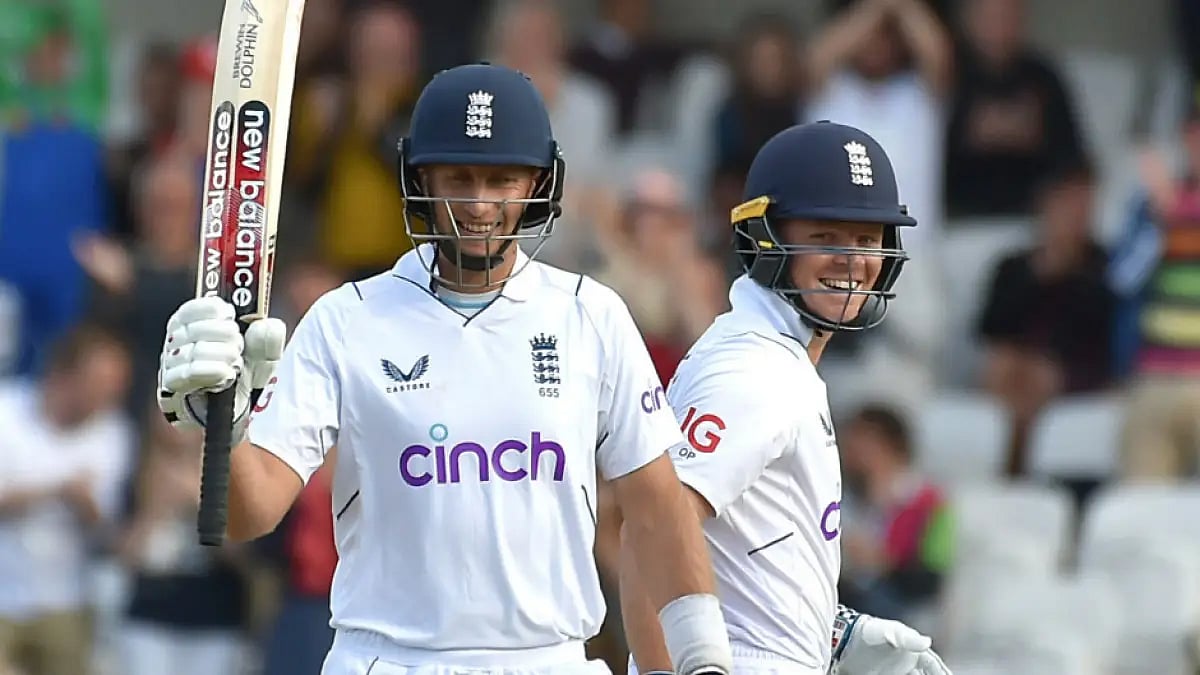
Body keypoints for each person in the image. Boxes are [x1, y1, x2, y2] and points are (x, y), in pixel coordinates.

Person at [155, 63, 733, 675]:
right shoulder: (346, 319)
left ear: (538, 183)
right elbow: (251, 513)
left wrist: (703, 658)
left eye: (502, 179)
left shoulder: (591, 315)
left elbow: (657, 508)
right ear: (419, 177)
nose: (479, 205)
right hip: (388, 661)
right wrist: (227, 424)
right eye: (458, 177)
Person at [618, 122, 952, 675]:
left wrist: (831, 632)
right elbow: (650, 525)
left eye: (867, 240)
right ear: (766, 237)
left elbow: (738, 547)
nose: (853, 260)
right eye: (825, 238)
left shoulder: (779, 361)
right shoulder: (755, 369)